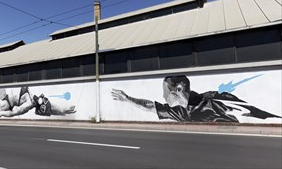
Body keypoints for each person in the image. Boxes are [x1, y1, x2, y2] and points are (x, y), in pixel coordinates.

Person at [111, 75, 281, 122]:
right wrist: (127, 99)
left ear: (178, 89)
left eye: (166, 92)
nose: (163, 96)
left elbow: (253, 112)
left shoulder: (215, 100)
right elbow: (150, 106)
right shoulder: (178, 112)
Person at [0, 87, 76, 118]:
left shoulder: (27, 106)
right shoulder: (32, 96)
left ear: (36, 105)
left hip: (3, 106)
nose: (39, 98)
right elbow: (52, 107)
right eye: (41, 99)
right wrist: (63, 110)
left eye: (40, 102)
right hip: (5, 98)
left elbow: (14, 113)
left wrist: (1, 114)